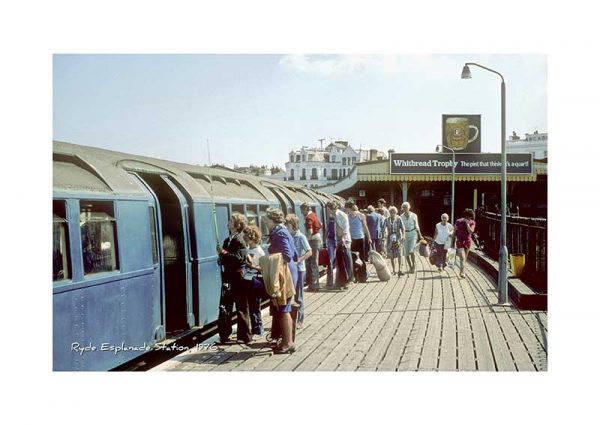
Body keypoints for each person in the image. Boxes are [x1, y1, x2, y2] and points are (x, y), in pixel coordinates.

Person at [264, 208, 299, 354]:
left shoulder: (279, 233)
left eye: (266, 220)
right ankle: (287, 341)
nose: (264, 222)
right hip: (288, 271)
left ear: (272, 220)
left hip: (284, 273)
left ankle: (288, 343)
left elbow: (288, 255)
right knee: (284, 308)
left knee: (284, 308)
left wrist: (271, 261)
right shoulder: (283, 231)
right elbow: (296, 254)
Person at [217, 213, 252, 344]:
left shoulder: (240, 240)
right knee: (225, 306)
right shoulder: (228, 240)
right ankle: (224, 335)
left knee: (241, 307)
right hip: (228, 277)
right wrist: (221, 257)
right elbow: (227, 258)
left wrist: (224, 253)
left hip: (238, 278)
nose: (228, 221)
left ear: (237, 225)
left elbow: (239, 259)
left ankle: (244, 336)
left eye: (231, 220)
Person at [285, 214, 312, 329]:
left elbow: (309, 252)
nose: (286, 226)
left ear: (293, 225)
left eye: (288, 224)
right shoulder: (288, 236)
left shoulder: (301, 237)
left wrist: (299, 260)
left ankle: (300, 320)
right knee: (291, 295)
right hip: (290, 269)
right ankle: (292, 319)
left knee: (299, 296)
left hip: (300, 270)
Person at [243, 225, 266, 337]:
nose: (245, 238)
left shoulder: (260, 252)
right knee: (250, 306)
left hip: (255, 280)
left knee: (255, 306)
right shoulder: (248, 250)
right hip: (247, 280)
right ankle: (254, 329)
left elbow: (263, 268)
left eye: (247, 237)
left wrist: (251, 266)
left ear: (252, 238)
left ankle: (258, 329)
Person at [325, 200, 353, 289]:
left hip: (343, 242)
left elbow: (344, 228)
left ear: (331, 208)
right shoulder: (335, 215)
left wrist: (342, 240)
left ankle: (346, 282)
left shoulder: (340, 215)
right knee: (341, 263)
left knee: (344, 262)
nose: (327, 211)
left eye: (328, 209)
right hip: (341, 241)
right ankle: (341, 282)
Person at [345, 200, 372, 276]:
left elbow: (365, 227)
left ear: (349, 208)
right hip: (352, 239)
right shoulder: (347, 217)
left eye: (346, 209)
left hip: (360, 238)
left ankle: (363, 275)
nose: (346, 210)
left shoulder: (360, 215)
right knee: (353, 257)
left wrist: (369, 237)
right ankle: (355, 275)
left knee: (361, 257)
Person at [300, 202, 322, 292]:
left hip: (313, 240)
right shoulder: (314, 215)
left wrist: (306, 243)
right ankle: (314, 285)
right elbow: (320, 225)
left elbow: (310, 231)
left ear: (305, 209)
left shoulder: (309, 218)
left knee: (312, 263)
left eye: (302, 210)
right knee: (314, 262)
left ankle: (314, 286)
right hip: (317, 239)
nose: (301, 212)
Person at [400, 202, 422, 274]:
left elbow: (417, 226)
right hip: (405, 235)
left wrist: (420, 235)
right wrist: (400, 236)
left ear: (409, 207)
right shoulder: (401, 216)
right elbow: (400, 228)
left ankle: (414, 265)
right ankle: (410, 267)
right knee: (406, 253)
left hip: (413, 234)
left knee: (411, 251)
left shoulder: (414, 215)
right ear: (402, 208)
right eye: (404, 207)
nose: (405, 208)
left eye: (406, 207)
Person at [453, 208, 476, 279]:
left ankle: (462, 270)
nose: (468, 218)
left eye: (469, 217)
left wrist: (467, 224)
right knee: (462, 257)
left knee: (465, 258)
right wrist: (452, 240)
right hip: (459, 240)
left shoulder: (472, 222)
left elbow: (471, 231)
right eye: (467, 217)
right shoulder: (458, 221)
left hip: (467, 241)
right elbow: (454, 231)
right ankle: (463, 273)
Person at [383, 206, 405, 275]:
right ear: (389, 213)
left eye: (394, 212)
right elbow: (383, 229)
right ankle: (393, 270)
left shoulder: (399, 219)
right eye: (391, 212)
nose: (392, 214)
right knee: (391, 254)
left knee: (399, 254)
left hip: (398, 238)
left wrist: (403, 236)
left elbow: (403, 228)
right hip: (390, 238)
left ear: (396, 212)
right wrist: (383, 237)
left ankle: (400, 270)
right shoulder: (386, 220)